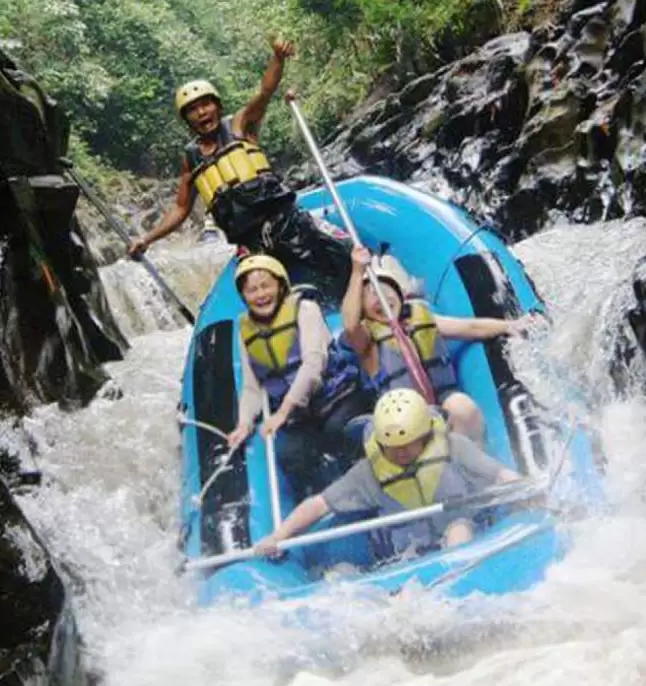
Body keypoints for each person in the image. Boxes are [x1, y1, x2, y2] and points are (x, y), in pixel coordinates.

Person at [128, 38, 349, 303]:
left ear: (217, 106)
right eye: (192, 110)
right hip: (251, 244)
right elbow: (180, 209)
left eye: (205, 105)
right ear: (186, 119)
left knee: (337, 262)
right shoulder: (191, 158)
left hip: (285, 222)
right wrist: (147, 239)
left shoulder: (239, 126)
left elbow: (265, 92)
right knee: (268, 300)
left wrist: (277, 58)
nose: (201, 113)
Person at [254, 388, 524, 559]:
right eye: (393, 448)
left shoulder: (454, 447)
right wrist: (279, 537)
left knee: (459, 531)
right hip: (407, 556)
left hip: (460, 534)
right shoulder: (370, 472)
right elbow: (319, 505)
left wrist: (523, 488)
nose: (401, 453)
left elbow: (500, 474)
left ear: (425, 435)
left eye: (408, 445)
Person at [341, 246, 529, 443]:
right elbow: (350, 325)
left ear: (399, 295)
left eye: (385, 293)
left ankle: (473, 461)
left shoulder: (420, 317)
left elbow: (471, 327)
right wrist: (357, 271)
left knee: (463, 407)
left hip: (442, 396)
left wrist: (510, 325)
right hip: (401, 413)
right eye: (370, 297)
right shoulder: (366, 338)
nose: (380, 299)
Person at [226, 254, 373, 499]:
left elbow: (313, 365)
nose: (260, 294)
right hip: (300, 416)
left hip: (336, 396)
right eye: (252, 290)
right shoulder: (245, 330)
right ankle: (319, 505)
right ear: (244, 296)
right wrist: (244, 424)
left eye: (266, 286)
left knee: (341, 430)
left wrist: (282, 413)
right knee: (291, 457)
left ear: (280, 285)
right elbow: (253, 387)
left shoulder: (305, 309)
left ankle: (369, 487)